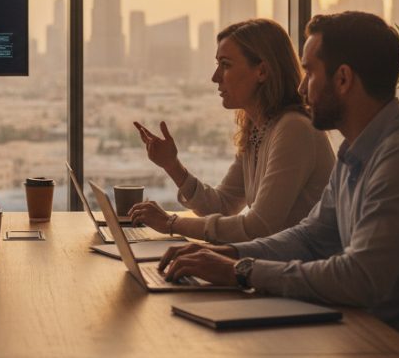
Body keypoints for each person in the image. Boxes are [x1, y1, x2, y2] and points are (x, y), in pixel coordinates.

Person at [159, 12, 399, 358]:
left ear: (342, 79)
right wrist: (227, 253)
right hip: (396, 348)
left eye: (309, 72)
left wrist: (242, 270)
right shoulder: (354, 151)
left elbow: (360, 278)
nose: (301, 84)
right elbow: (311, 237)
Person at [129, 18, 334, 243]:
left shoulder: (294, 129)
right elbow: (223, 205)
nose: (215, 77)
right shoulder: (259, 128)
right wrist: (172, 165)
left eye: (225, 65)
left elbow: (258, 227)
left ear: (262, 71)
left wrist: (171, 223)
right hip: (276, 267)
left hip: (296, 272)